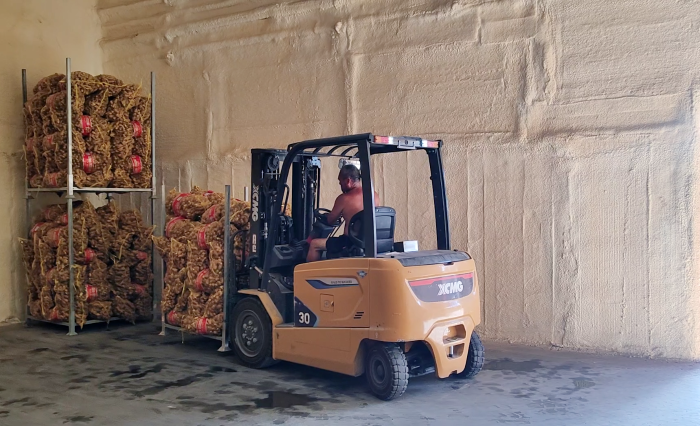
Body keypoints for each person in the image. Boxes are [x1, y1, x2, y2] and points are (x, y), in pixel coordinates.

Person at [306, 164, 379, 262]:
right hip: (370, 242)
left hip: (349, 242)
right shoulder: (374, 195)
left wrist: (330, 215)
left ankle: (309, 272)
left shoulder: (344, 199)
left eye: (341, 183)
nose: (341, 186)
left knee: (314, 244)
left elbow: (331, 221)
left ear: (348, 181)